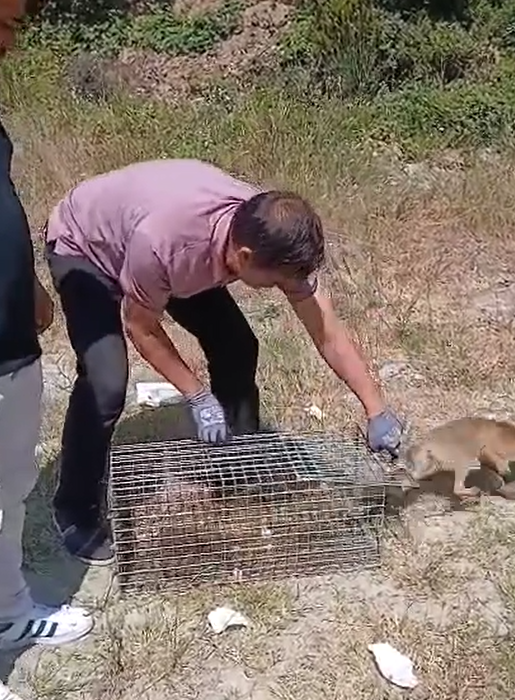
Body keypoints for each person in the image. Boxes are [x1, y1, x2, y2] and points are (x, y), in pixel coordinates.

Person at [45, 160, 407, 567]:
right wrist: (197, 395)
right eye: (274, 282)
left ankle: (235, 463)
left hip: (173, 251)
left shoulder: (272, 236)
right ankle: (73, 507)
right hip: (87, 249)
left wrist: (376, 409)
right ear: (245, 256)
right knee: (106, 382)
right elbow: (142, 327)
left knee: (236, 345)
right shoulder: (166, 245)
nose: (280, 290)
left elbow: (327, 332)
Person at [0, 0, 93, 700]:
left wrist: (26, 284)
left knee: (8, 492)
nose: (7, 44)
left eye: (13, 26)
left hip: (9, 346)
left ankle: (10, 617)